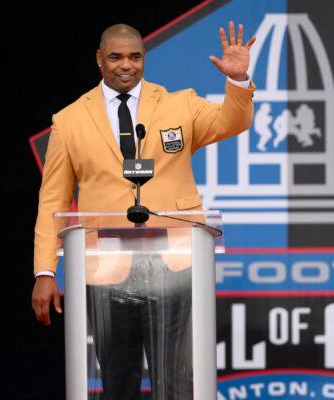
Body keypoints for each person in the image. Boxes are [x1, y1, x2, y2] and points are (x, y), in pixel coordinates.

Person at [31, 22, 256, 399]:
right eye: (116, 56)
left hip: (175, 264)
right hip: (105, 269)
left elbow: (232, 121)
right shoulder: (69, 121)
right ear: (99, 59)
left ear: (144, 58)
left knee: (176, 381)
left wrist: (237, 82)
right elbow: (52, 199)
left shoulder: (179, 104)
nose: (126, 65)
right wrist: (44, 269)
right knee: (118, 381)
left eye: (135, 56)